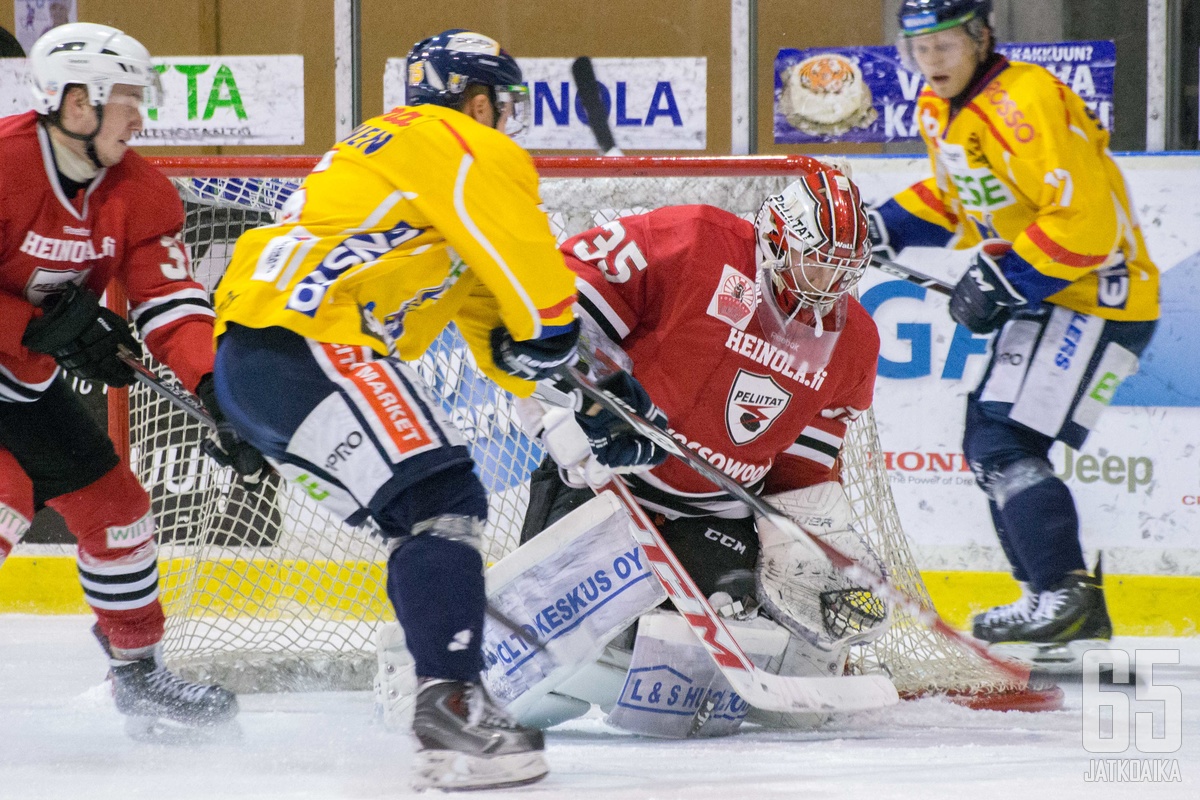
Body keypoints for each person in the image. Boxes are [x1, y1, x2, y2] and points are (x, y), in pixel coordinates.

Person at [209, 28, 658, 790]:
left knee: (429, 511)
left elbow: (500, 327)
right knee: (443, 491)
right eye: (503, 108)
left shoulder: (413, 173)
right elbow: (532, 281)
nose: (508, 126)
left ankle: (450, 695)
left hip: (263, 361)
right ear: (477, 101)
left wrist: (579, 399)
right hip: (305, 343)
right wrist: (555, 334)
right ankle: (450, 708)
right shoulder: (457, 141)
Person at [507, 165, 890, 735]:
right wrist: (562, 407)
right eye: (819, 259)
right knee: (539, 662)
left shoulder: (852, 340)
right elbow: (562, 299)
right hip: (605, 478)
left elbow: (804, 467)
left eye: (845, 268)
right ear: (779, 238)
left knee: (686, 676)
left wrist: (811, 540)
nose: (830, 281)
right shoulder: (692, 242)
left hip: (717, 513)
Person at [869, 0, 1159, 658]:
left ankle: (1066, 595)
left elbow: (1088, 225)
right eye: (919, 45)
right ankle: (1052, 598)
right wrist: (884, 225)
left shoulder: (1025, 101)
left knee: (1001, 438)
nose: (931, 59)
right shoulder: (939, 109)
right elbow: (957, 200)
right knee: (991, 439)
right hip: (1060, 299)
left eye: (945, 43)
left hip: (1099, 297)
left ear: (980, 36)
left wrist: (1006, 279)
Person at [0, 23, 263, 735]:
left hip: (20, 388)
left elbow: (173, 306)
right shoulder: (3, 164)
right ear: (75, 103)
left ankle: (139, 679)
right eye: (125, 99)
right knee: (7, 500)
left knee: (118, 514)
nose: (139, 115)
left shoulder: (139, 192)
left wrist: (218, 392)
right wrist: (34, 324)